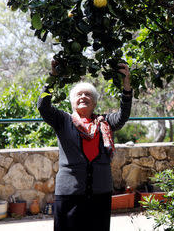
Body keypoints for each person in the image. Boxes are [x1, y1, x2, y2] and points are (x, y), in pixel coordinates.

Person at [37, 60, 133, 231]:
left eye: (88, 95)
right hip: (69, 195)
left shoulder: (106, 122)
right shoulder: (62, 120)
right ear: (72, 102)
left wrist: (127, 86)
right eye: (78, 95)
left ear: (94, 103)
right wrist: (53, 78)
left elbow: (123, 115)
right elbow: (43, 106)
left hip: (100, 193)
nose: (83, 97)